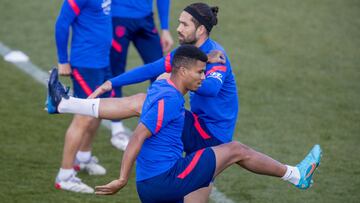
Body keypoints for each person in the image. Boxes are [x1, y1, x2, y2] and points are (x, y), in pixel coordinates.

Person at [47, 45, 322, 202]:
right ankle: (296, 175)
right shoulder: (170, 101)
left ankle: (64, 104)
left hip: (152, 186)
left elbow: (166, 72)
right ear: (182, 71)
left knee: (136, 101)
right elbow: (137, 137)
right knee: (237, 149)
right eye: (200, 72)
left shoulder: (162, 86)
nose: (204, 76)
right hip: (165, 179)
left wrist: (207, 60)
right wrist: (121, 178)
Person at [48, 2, 236, 201]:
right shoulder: (189, 55)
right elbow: (151, 69)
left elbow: (211, 89)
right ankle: (64, 103)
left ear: (200, 30)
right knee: (142, 101)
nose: (178, 28)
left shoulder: (218, 57)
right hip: (195, 126)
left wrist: (182, 74)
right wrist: (111, 83)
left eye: (184, 24)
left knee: (200, 193)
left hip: (210, 136)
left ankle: (65, 104)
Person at [51, 0, 112, 193]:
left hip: (103, 61)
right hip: (86, 63)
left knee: (99, 111)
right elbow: (62, 23)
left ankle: (83, 158)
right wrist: (63, 60)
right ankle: (65, 175)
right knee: (83, 117)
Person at [109, 0, 174, 151]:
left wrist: (165, 28)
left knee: (161, 71)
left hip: (145, 19)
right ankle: (117, 128)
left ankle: (155, 121)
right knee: (116, 72)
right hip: (117, 19)